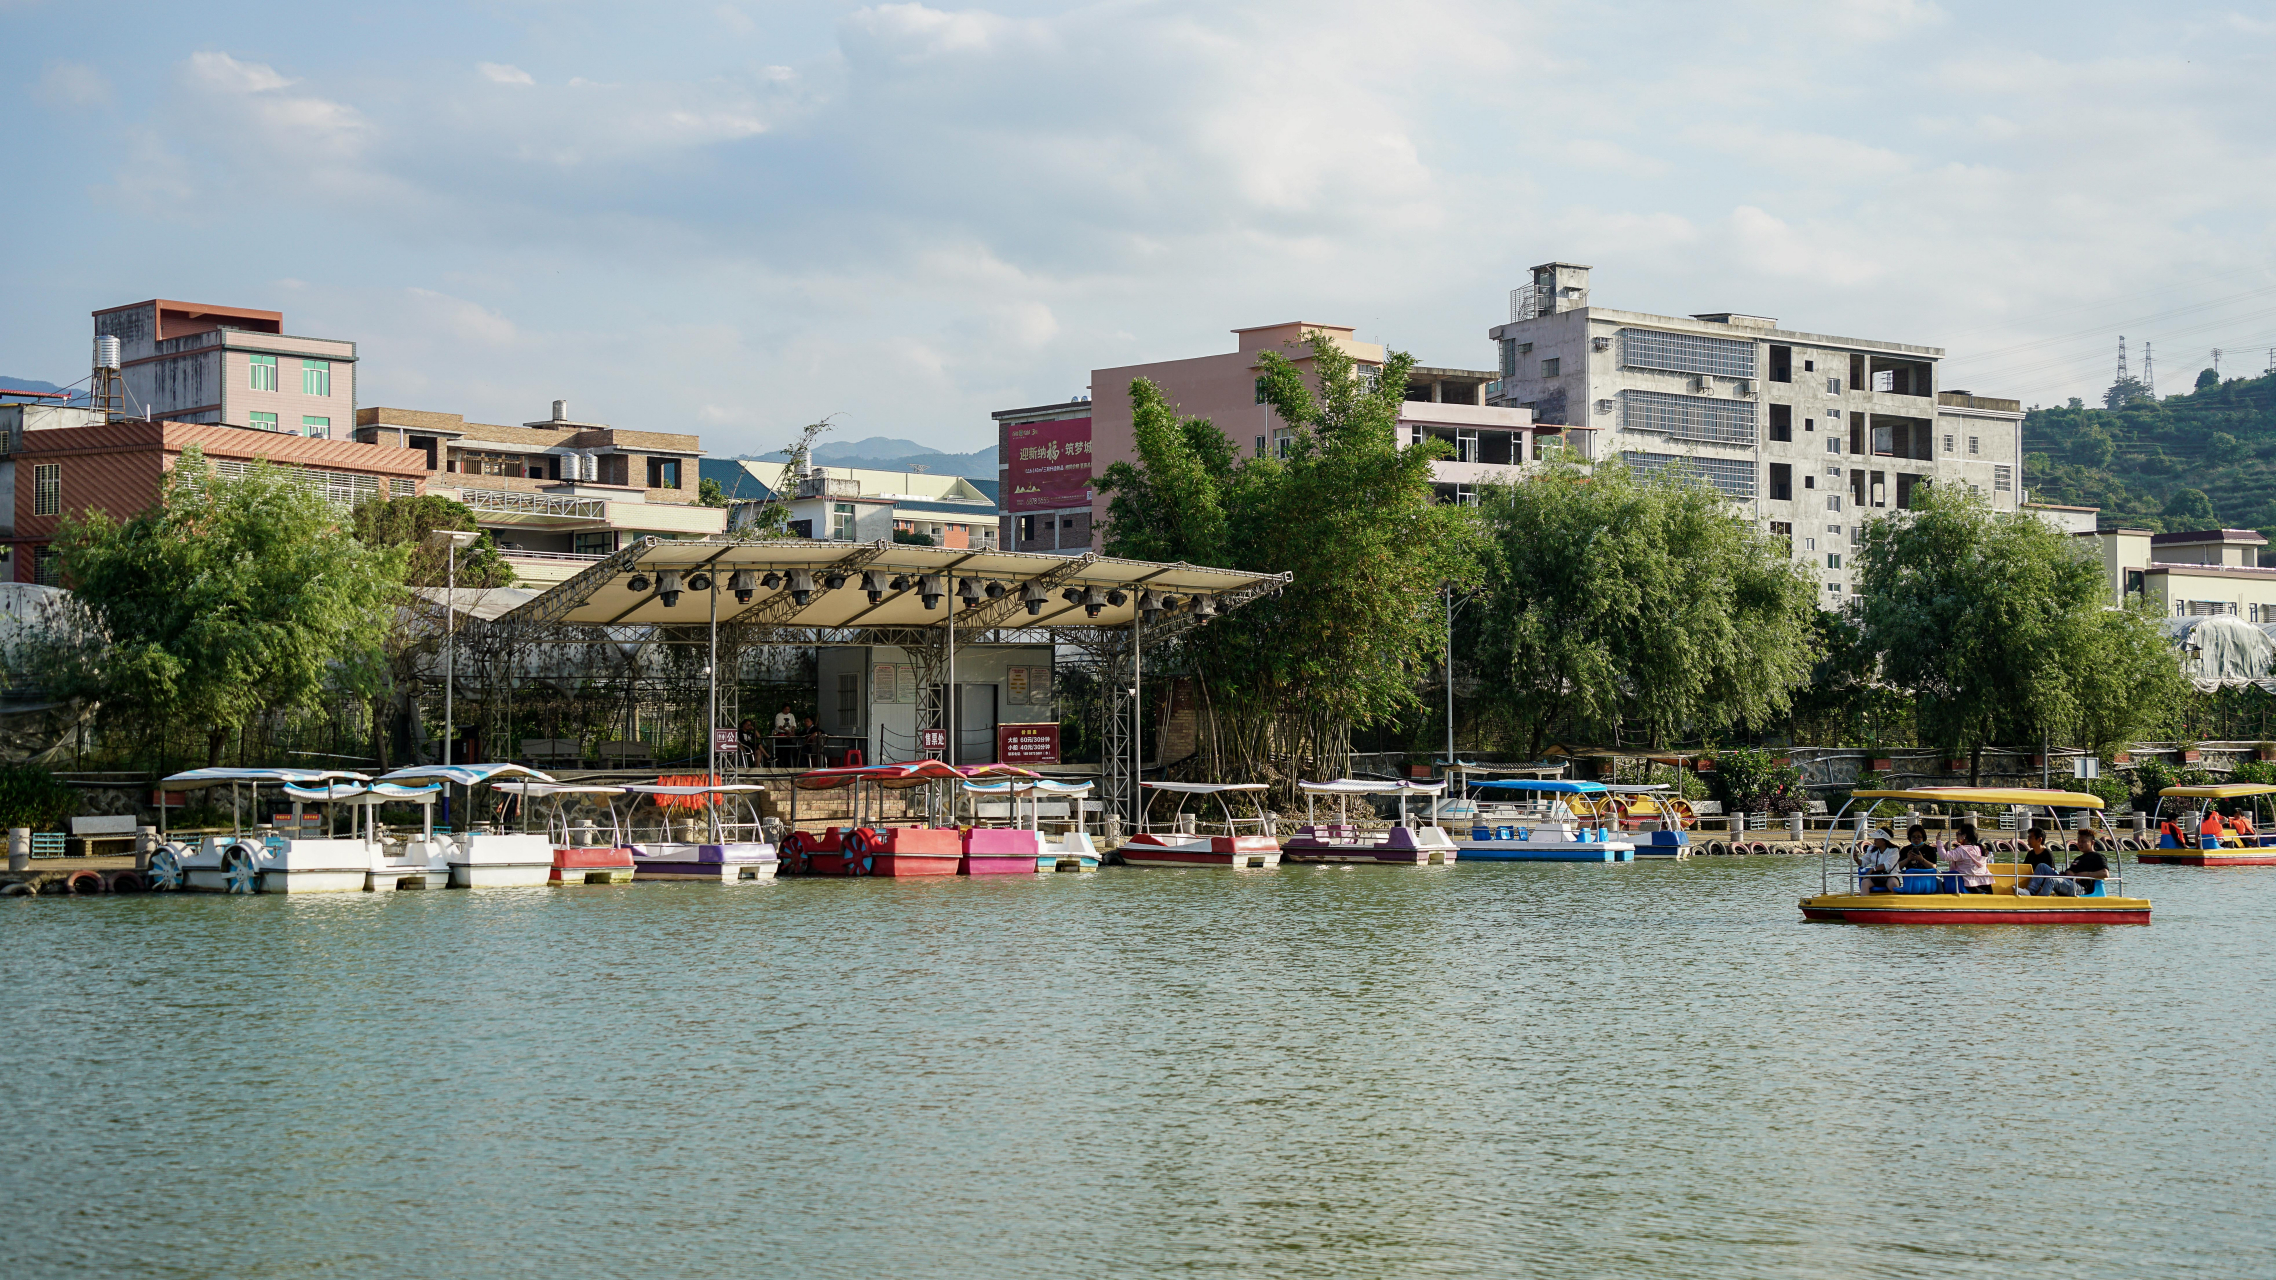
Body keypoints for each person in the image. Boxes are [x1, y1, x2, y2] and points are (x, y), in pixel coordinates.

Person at [2021, 827, 2075, 896]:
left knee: (2041, 867)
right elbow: (2024, 868)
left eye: (2031, 838)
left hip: (2044, 884)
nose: (2028, 840)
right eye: (2028, 838)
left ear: (2039, 839)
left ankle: (2032, 891)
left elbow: (2050, 872)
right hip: (2032, 882)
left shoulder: (2047, 854)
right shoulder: (2030, 854)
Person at [1945, 822, 1992, 894]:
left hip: (1968, 885)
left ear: (1964, 836)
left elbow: (1944, 856)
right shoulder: (1979, 848)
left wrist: (1938, 842)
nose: (1956, 835)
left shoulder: (1961, 850)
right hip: (1985, 885)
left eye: (1958, 833)